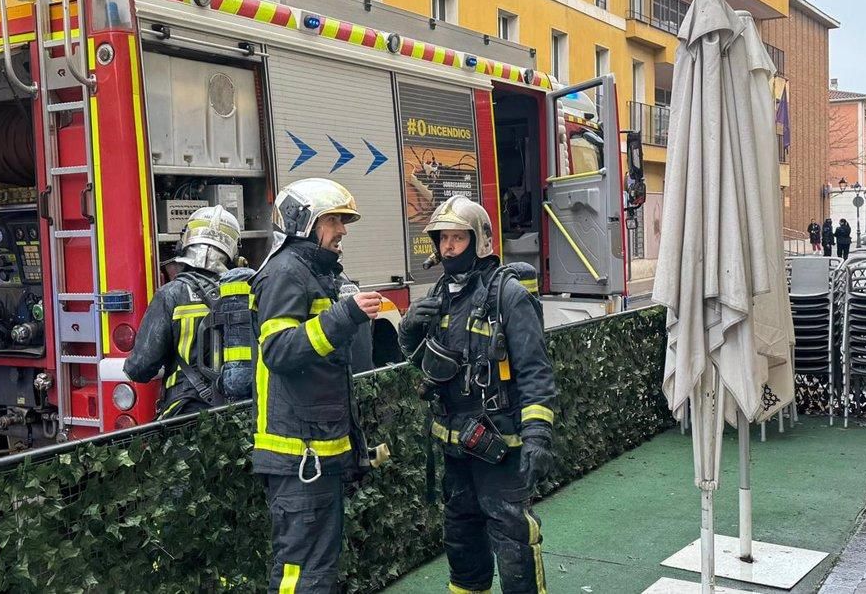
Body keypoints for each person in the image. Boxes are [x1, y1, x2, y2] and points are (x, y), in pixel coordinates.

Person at [399, 195, 555, 594]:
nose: (448, 247)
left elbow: (535, 371)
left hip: (499, 446)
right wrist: (409, 331)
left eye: (457, 238)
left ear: (480, 241)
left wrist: (538, 435)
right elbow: (431, 367)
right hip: (455, 449)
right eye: (443, 239)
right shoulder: (440, 295)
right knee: (462, 542)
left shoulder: (510, 296)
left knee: (513, 539)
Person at [251, 178, 381, 594]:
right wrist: (345, 316)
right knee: (299, 574)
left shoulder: (311, 272)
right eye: (334, 220)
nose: (343, 229)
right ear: (305, 222)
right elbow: (279, 350)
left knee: (316, 571)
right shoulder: (286, 272)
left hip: (315, 454)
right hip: (297, 457)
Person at [123, 205, 244, 417]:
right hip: (238, 411)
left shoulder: (171, 295)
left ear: (185, 243)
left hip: (185, 414)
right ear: (232, 249)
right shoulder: (242, 292)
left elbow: (139, 369)